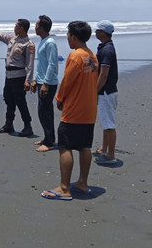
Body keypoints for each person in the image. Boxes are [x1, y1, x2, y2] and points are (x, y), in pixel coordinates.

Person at [41, 21, 98, 200]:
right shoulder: (92, 56)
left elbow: (67, 81)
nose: (67, 38)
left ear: (74, 36)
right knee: (84, 146)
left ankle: (64, 188)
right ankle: (82, 182)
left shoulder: (75, 56)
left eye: (67, 35)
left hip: (74, 110)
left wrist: (59, 98)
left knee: (65, 147)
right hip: (89, 109)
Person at [31, 15, 59, 152]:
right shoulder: (43, 41)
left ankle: (49, 142)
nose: (35, 27)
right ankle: (48, 137)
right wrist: (36, 79)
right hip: (41, 81)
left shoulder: (50, 43)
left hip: (48, 82)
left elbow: (52, 64)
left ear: (42, 28)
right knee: (43, 111)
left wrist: (46, 83)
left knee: (45, 112)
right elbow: (41, 64)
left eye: (36, 25)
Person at [94, 20, 119, 165]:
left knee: (109, 124)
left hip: (106, 92)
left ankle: (111, 154)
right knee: (105, 121)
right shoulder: (105, 47)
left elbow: (103, 74)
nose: (96, 32)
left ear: (103, 32)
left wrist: (94, 91)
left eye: (97, 30)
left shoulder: (106, 50)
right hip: (108, 91)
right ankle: (104, 148)